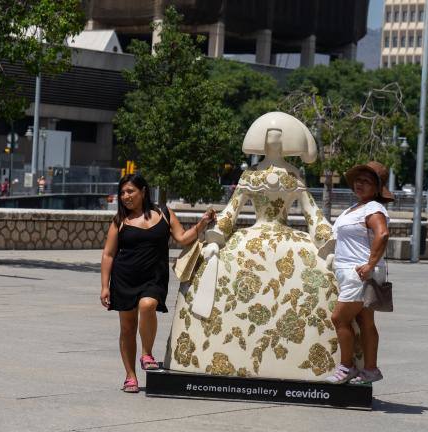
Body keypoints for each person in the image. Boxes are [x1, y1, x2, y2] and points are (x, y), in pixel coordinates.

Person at [166, 112, 340, 381]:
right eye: (271, 137)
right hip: (251, 236)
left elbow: (311, 212)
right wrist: (215, 239)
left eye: (279, 138)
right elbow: (231, 211)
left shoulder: (293, 174)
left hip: (285, 238)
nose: (274, 142)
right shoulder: (251, 175)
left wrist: (326, 243)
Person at [101, 174, 215, 393]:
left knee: (147, 305)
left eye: (130, 191)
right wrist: (105, 285)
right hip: (124, 278)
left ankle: (147, 353)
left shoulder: (163, 213)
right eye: (122, 192)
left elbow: (182, 238)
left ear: (143, 191)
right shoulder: (119, 221)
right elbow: (108, 254)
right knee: (127, 328)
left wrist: (202, 224)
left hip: (154, 276)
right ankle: (130, 376)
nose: (126, 196)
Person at [326, 161, 392, 384]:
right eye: (358, 180)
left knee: (339, 318)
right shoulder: (355, 208)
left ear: (377, 188)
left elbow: (382, 234)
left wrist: (370, 264)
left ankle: (347, 367)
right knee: (365, 322)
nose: (360, 184)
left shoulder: (373, 208)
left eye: (367, 181)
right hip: (353, 271)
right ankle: (371, 369)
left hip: (359, 273)